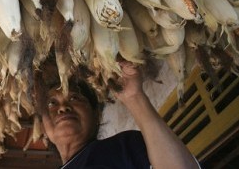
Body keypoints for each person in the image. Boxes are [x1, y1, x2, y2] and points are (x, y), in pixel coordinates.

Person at [37, 59, 201, 169]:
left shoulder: (124, 146)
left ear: (96, 115)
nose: (63, 108)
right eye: (52, 103)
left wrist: (134, 97)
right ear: (43, 127)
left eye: (75, 98)